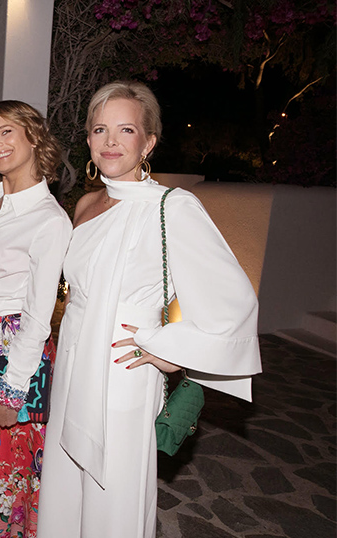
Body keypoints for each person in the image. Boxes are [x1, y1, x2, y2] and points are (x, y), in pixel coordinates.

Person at [37, 81, 262, 538]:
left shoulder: (172, 206)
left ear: (149, 142)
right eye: (99, 129)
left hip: (123, 372)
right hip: (73, 364)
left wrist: (173, 351)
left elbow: (235, 299)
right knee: (66, 490)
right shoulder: (86, 204)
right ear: (88, 139)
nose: (110, 141)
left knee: (113, 500)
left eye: (126, 130)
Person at [0, 101, 72, 538]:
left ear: (34, 136)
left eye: (6, 132)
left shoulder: (49, 219)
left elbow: (39, 315)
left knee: (11, 471)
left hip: (17, 347)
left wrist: (12, 390)